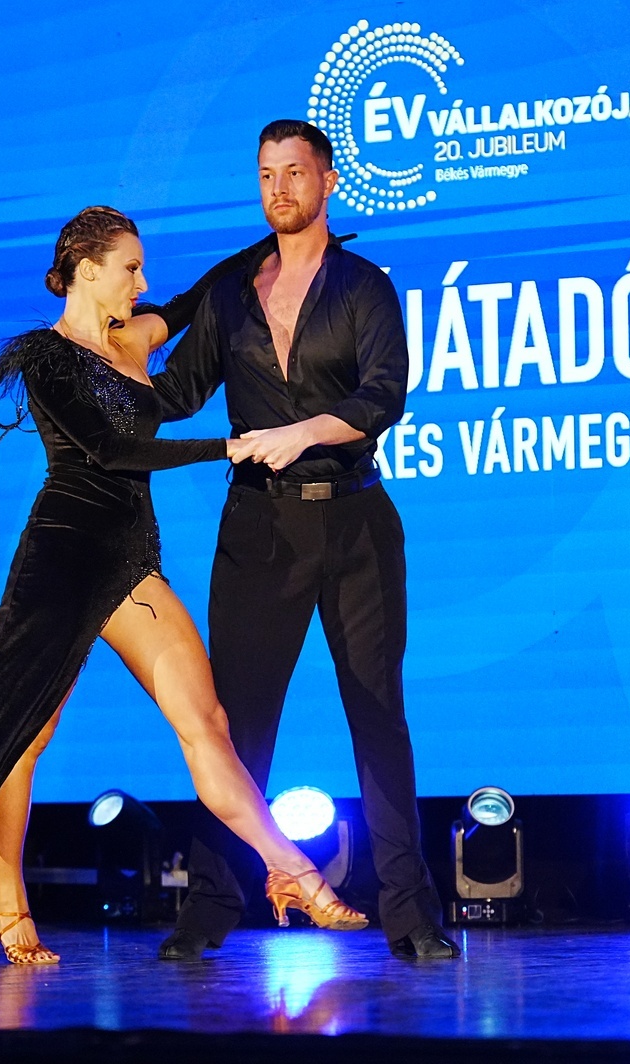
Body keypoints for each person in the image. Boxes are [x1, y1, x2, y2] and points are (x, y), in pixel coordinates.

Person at [0, 206, 366, 966]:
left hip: (132, 559)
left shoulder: (134, 336)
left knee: (205, 721)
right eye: (130, 268)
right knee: (23, 734)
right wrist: (227, 447)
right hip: (65, 560)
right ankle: (6, 901)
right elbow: (112, 451)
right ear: (86, 270)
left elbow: (199, 295)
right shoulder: (46, 356)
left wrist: (283, 244)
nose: (143, 283)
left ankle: (291, 870)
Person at [152, 120, 457, 961]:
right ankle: (209, 908)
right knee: (235, 724)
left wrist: (305, 431)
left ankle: (412, 917)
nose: (279, 187)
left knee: (378, 717)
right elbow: (177, 393)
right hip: (261, 529)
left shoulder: (363, 287)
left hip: (356, 523)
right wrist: (100, 357)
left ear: (328, 182)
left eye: (294, 172)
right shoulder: (230, 294)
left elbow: (383, 396)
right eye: (265, 174)